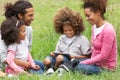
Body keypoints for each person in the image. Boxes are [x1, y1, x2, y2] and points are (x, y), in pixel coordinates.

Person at [74, 0, 117, 75]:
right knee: (73, 61)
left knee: (78, 66)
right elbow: (93, 49)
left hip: (105, 68)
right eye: (86, 16)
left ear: (98, 12)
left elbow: (103, 56)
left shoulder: (108, 30)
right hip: (94, 63)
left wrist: (84, 62)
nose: (86, 19)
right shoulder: (94, 27)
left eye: (88, 15)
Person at [43, 7, 91, 74]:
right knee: (46, 61)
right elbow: (57, 51)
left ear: (76, 28)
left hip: (71, 60)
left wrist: (75, 56)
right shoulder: (62, 38)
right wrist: (53, 54)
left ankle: (54, 72)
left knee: (60, 58)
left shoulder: (82, 39)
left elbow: (88, 56)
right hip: (58, 58)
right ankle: (49, 70)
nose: (68, 32)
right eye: (65, 31)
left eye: (70, 30)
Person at [0, 0, 44, 72]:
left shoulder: (28, 29)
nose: (33, 18)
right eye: (30, 15)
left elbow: (27, 50)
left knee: (41, 65)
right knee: (38, 71)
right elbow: (4, 58)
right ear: (20, 15)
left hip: (23, 62)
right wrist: (25, 64)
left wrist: (30, 63)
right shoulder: (6, 30)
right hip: (10, 66)